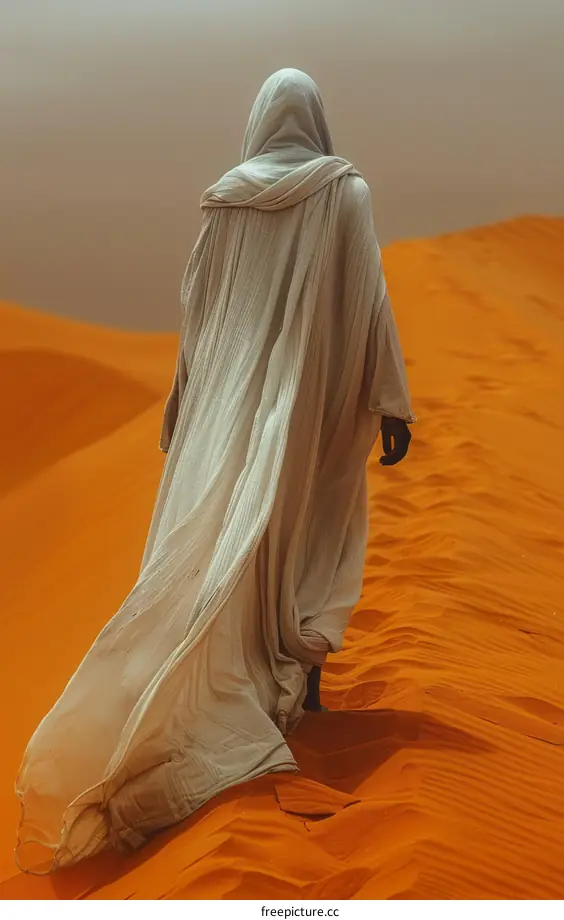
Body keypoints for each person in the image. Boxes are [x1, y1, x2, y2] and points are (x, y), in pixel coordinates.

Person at [15, 68, 415, 874]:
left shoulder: (226, 199)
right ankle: (297, 679)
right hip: (304, 407)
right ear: (317, 120)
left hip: (230, 406)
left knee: (229, 529)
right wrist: (392, 401)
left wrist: (186, 402)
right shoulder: (345, 193)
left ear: (260, 121)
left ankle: (248, 679)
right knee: (303, 526)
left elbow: (200, 309)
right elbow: (367, 300)